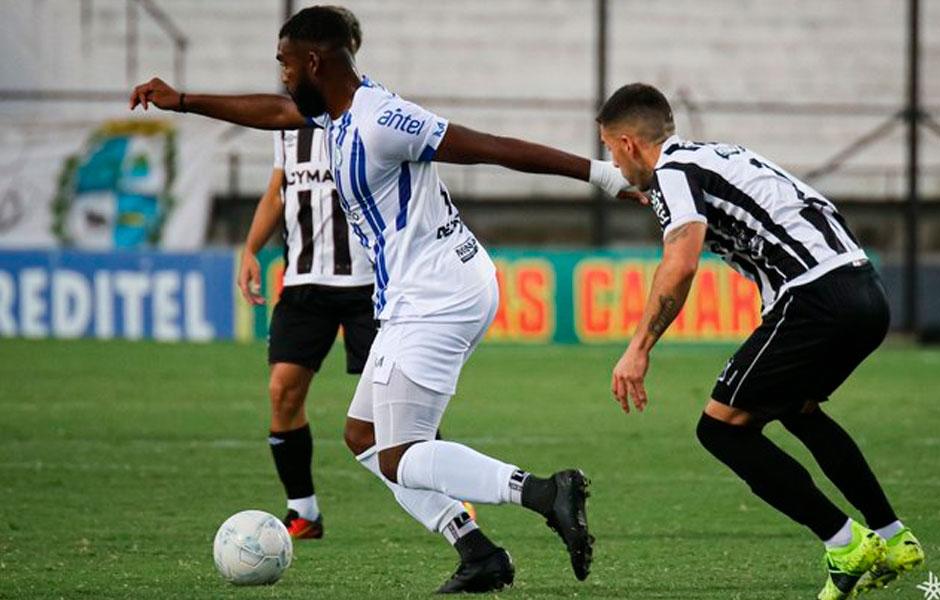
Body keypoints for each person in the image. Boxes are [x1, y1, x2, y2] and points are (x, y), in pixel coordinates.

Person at [130, 6, 635, 593]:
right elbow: (275, 112)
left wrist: (600, 175)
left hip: (439, 294)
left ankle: (547, 492)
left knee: (399, 453)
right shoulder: (333, 112)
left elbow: (491, 146)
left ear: (314, 62)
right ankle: (477, 554)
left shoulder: (381, 119)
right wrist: (184, 99)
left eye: (285, 65)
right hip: (421, 293)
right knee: (363, 437)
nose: (283, 78)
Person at [598, 83, 924, 600]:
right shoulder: (715, 156)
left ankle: (845, 543)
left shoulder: (673, 175)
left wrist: (639, 347)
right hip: (865, 290)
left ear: (629, 144)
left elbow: (680, 263)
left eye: (610, 150)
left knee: (721, 431)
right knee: (798, 409)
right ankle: (891, 535)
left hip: (814, 298)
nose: (612, 164)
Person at [236, 6, 373, 540]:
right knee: (282, 392)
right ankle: (304, 512)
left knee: (395, 403)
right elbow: (278, 188)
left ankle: (445, 493)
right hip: (305, 282)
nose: (284, 70)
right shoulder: (287, 124)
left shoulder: (367, 114)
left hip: (369, 285)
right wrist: (250, 248)